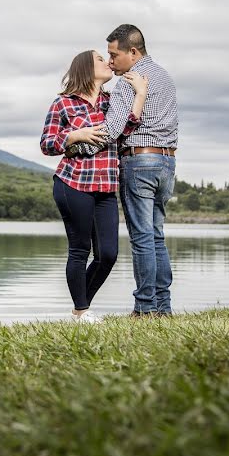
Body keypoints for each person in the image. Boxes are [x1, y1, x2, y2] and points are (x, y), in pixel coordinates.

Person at [40, 50, 147, 323]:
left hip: (105, 187)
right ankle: (83, 311)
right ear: (87, 69)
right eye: (101, 59)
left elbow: (124, 131)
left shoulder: (112, 102)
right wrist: (75, 134)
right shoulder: (63, 103)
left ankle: (78, 310)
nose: (108, 62)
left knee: (108, 254)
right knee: (79, 250)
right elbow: (47, 144)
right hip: (72, 182)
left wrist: (140, 95)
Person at [101, 24, 179, 317]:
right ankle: (163, 307)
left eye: (114, 54)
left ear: (132, 52)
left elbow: (112, 130)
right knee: (156, 234)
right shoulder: (165, 77)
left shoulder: (128, 83)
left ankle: (144, 308)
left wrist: (76, 137)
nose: (111, 62)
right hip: (167, 163)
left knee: (142, 237)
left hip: (139, 161)